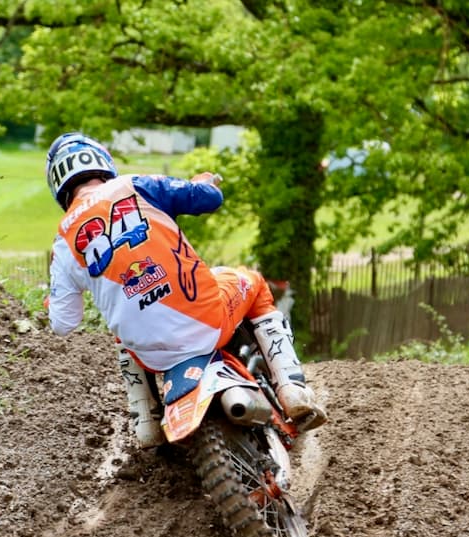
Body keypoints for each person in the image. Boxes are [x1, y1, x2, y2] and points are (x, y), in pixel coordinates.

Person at [44, 132, 326, 448]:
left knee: (122, 337)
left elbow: (63, 323)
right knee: (255, 283)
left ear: (59, 186)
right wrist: (204, 181)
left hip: (152, 354)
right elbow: (209, 199)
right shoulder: (136, 185)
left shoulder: (62, 243)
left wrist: (51, 298)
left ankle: (146, 423)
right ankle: (291, 388)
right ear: (102, 163)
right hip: (208, 320)